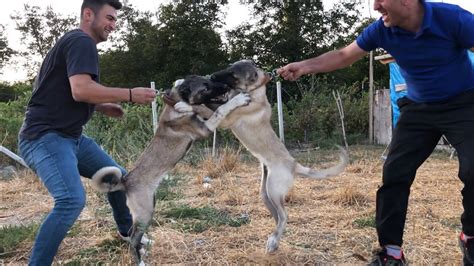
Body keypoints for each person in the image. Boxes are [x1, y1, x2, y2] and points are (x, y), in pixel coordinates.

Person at [278, 0, 474, 265]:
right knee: (394, 174)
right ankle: (391, 253)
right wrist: (304, 66)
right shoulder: (381, 30)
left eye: (381, 0)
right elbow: (344, 55)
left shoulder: (451, 18)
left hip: (463, 103)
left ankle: (471, 238)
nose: (375, 6)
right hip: (417, 109)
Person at [18, 0, 156, 265]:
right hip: (45, 138)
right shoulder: (81, 41)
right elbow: (80, 89)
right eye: (109, 18)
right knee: (70, 200)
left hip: (70, 137)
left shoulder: (75, 43)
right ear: (88, 14)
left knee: (117, 178)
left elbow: (64, 90)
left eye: (115, 20)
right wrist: (130, 95)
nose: (113, 25)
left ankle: (127, 233)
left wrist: (101, 105)